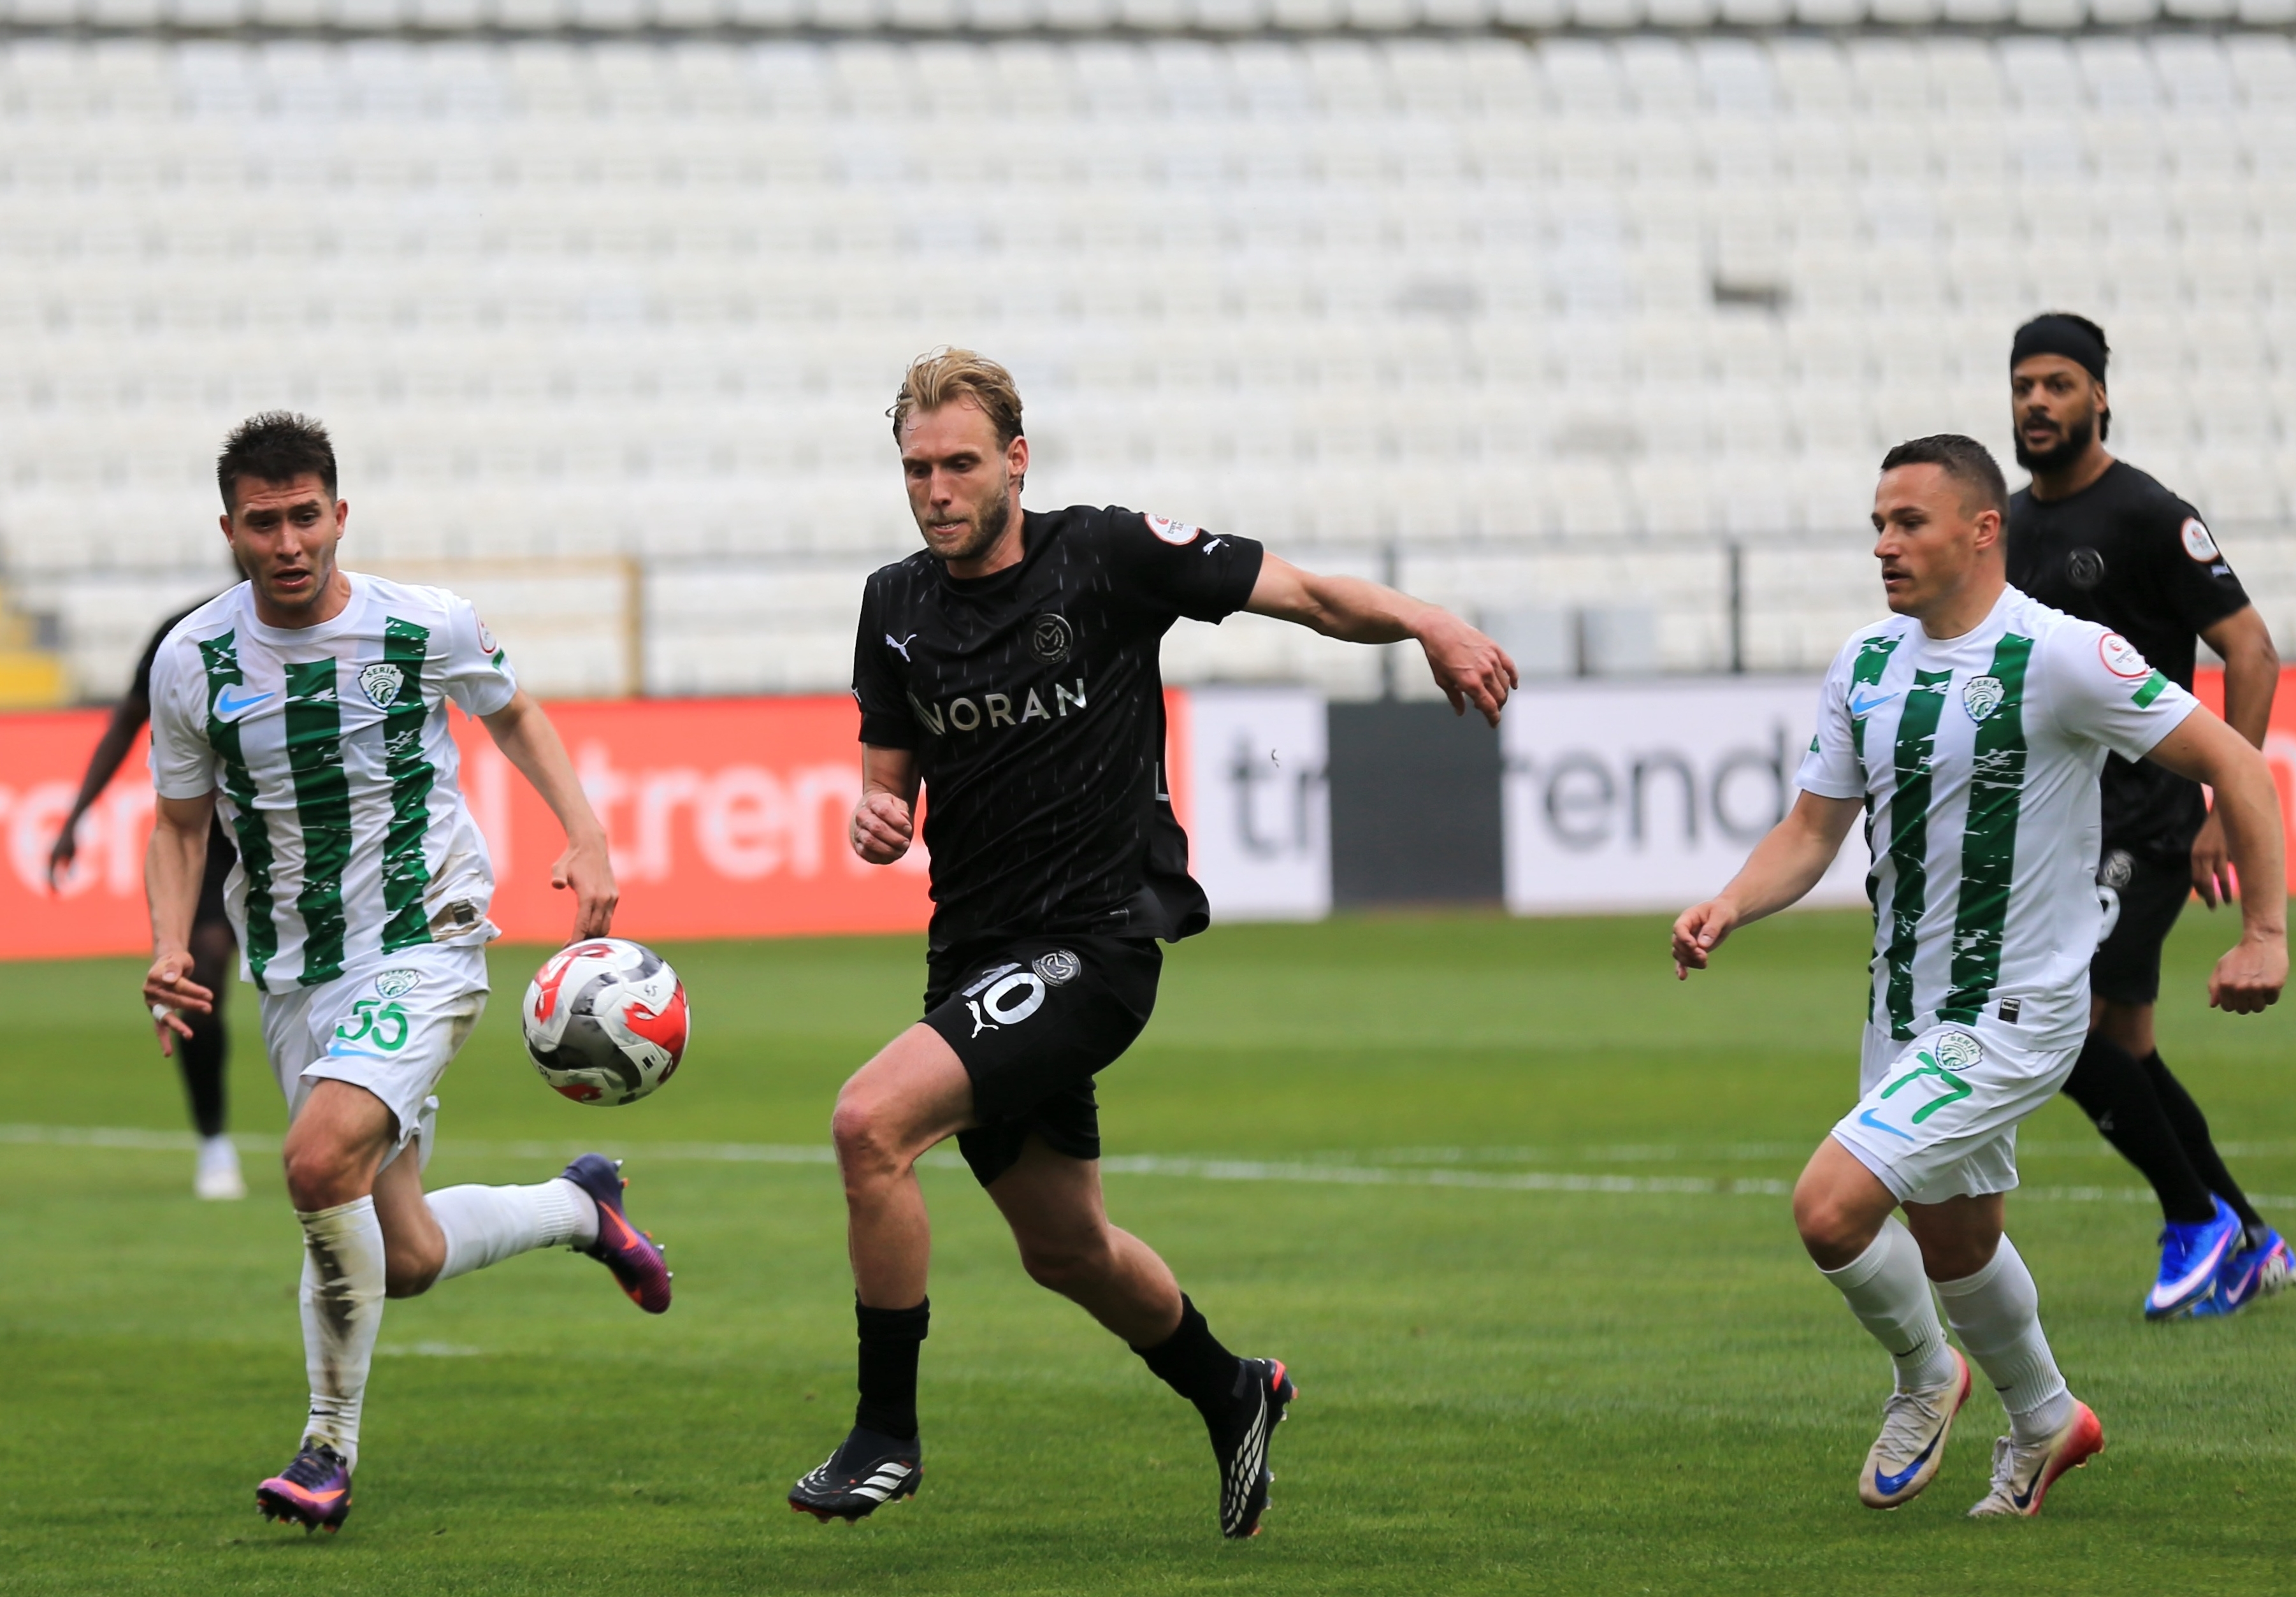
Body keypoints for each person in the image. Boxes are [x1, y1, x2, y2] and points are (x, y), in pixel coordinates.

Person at [790, 349, 1517, 1538]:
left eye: (960, 463)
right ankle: (1234, 1387)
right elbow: (886, 796)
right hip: (974, 959)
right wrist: (873, 819)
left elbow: (1312, 598)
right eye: (917, 468)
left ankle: (884, 1434)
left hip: (1097, 944)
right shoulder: (895, 604)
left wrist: (1426, 622)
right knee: (1066, 1249)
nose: (936, 489)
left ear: (1015, 460)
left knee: (869, 1124)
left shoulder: (1110, 555)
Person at [1672, 435, 2284, 1519]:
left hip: (2009, 1013)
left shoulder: (2059, 658)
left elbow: (2234, 761)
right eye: (1875, 524)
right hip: (1896, 1009)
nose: (1884, 544)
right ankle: (2047, 1417)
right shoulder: (1864, 661)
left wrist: (2263, 932)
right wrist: (1729, 901)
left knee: (1829, 1210)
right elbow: (1811, 830)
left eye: (1907, 522)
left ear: (1981, 529)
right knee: (1956, 1241)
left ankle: (1924, 1379)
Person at [141, 412, 674, 1534]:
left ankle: (326, 1448)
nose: (287, 542)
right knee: (408, 1252)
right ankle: (580, 1207)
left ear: (340, 513)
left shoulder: (422, 627)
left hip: (426, 941)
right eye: (262, 522)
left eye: (304, 516)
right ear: (229, 529)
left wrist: (586, 833)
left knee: (314, 1158)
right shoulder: (194, 659)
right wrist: (167, 942)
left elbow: (515, 714)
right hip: (295, 972)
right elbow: (180, 825)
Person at [2002, 311, 2290, 1319]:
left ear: (2098, 397)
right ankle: (2245, 1235)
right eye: (2023, 384)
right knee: (2122, 1045)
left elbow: (2248, 650)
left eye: (2057, 384)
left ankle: (2194, 1219)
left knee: (2056, 1022)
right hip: (2058, 829)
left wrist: (2221, 799)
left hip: (2143, 822)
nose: (2036, 401)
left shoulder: (2145, 514)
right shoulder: (2006, 524)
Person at [52, 595, 245, 1199]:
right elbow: (127, 720)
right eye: (262, 522)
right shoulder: (183, 638)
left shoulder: (343, 629)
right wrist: (77, 815)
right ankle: (215, 1144)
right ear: (235, 535)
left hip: (304, 830)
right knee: (201, 970)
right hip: (212, 837)